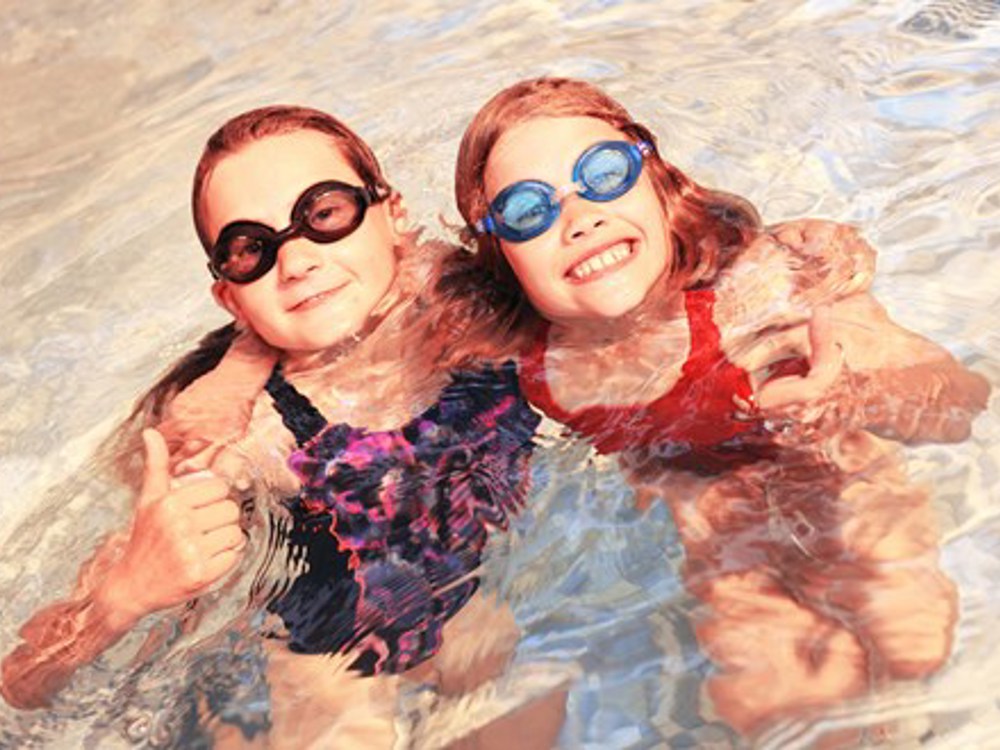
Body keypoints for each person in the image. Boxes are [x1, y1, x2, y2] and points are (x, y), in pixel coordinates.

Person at [0, 105, 567, 749]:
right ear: (230, 296)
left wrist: (249, 346)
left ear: (393, 215)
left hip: (473, 603)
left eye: (323, 214)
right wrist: (122, 598)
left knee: (525, 716)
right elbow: (19, 688)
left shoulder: (451, 284)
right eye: (251, 249)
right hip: (329, 655)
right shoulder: (238, 435)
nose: (295, 262)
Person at [446, 76, 991, 739]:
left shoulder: (757, 287)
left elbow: (960, 401)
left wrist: (852, 395)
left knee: (913, 639)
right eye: (528, 210)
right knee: (766, 700)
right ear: (498, 250)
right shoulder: (524, 359)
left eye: (605, 173)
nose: (579, 216)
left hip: (838, 475)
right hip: (713, 521)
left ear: (660, 181)